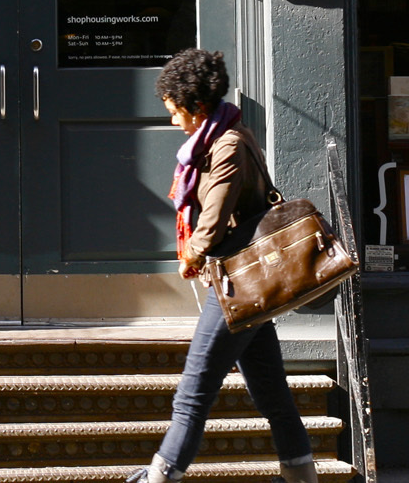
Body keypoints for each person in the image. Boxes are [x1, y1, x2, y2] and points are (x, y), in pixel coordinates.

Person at [128, 48, 319, 483]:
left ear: (197, 107)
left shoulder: (228, 144)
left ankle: (162, 476)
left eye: (175, 111)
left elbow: (212, 222)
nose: (172, 121)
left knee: (193, 392)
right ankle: (301, 475)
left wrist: (192, 254)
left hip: (238, 282)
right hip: (249, 284)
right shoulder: (229, 135)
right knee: (272, 392)